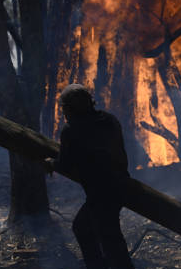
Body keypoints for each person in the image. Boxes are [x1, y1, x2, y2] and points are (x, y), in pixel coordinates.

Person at [45, 84, 135, 269]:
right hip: (122, 185)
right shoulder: (109, 120)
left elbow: (65, 164)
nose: (64, 113)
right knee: (104, 233)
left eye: (65, 108)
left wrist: (50, 164)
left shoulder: (72, 130)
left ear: (70, 108)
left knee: (92, 231)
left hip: (102, 192)